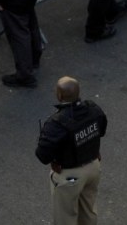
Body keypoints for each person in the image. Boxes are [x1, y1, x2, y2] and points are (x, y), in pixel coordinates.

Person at [36, 76, 108, 225]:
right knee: (88, 211)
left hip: (71, 177)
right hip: (93, 168)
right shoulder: (93, 109)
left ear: (60, 96)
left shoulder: (57, 123)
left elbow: (43, 155)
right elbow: (101, 129)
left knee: (65, 217)